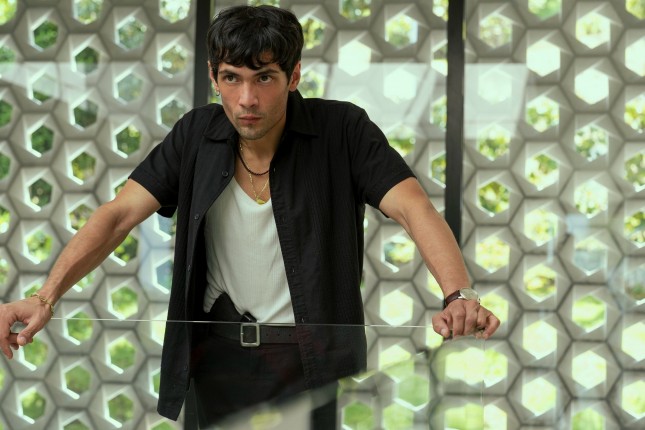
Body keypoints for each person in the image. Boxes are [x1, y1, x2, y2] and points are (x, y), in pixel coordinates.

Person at [0, 5, 500, 428]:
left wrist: (458, 293)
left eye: (264, 78)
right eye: (232, 79)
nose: (247, 100)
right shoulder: (196, 134)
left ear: (294, 76)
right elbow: (117, 215)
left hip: (309, 359)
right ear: (214, 76)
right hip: (216, 356)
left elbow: (413, 208)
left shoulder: (342, 129)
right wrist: (45, 296)